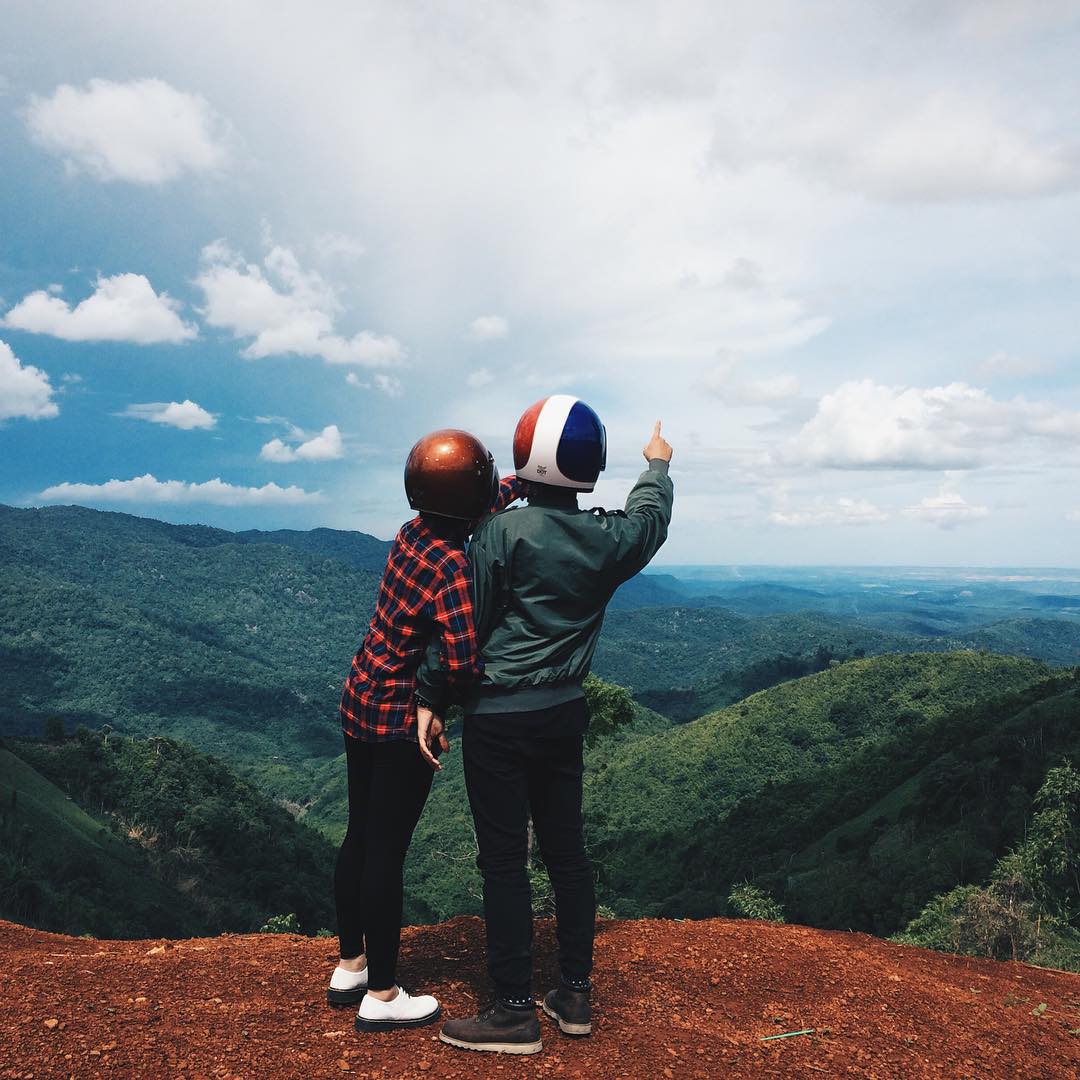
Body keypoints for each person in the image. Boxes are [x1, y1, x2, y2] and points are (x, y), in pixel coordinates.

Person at [424, 396, 674, 1055]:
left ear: (524, 454)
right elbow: (649, 522)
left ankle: (511, 1012)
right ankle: (573, 992)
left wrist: (431, 697)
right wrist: (657, 467)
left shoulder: (500, 533)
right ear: (589, 466)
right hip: (563, 713)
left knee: (505, 862)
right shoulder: (606, 538)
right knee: (567, 853)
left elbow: (464, 631)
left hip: (499, 721)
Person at [328, 429, 525, 1033]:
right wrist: (437, 703)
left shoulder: (413, 534)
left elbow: (471, 503)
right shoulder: (451, 569)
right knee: (388, 851)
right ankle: (384, 996)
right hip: (398, 720)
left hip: (359, 696)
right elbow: (463, 661)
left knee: (360, 835)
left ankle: (352, 965)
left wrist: (517, 484)